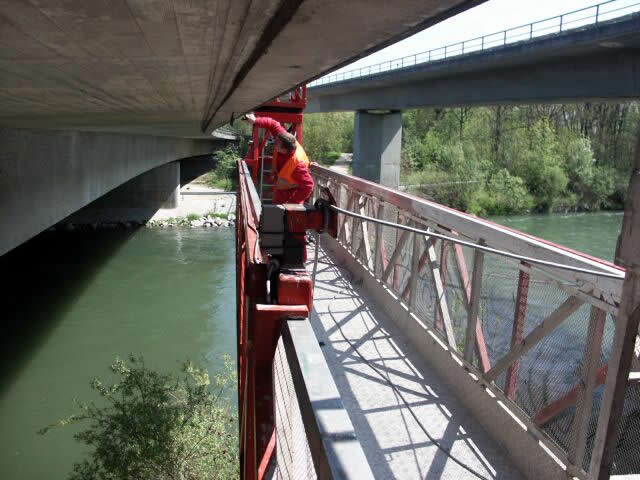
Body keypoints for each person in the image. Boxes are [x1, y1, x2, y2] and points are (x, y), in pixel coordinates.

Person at [243, 113, 314, 205]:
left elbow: (308, 185)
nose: (274, 144)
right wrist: (256, 121)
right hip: (280, 193)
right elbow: (273, 124)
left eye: (276, 144)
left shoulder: (297, 165)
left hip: (287, 199)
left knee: (283, 218)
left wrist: (292, 203)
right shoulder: (284, 138)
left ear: (284, 149)